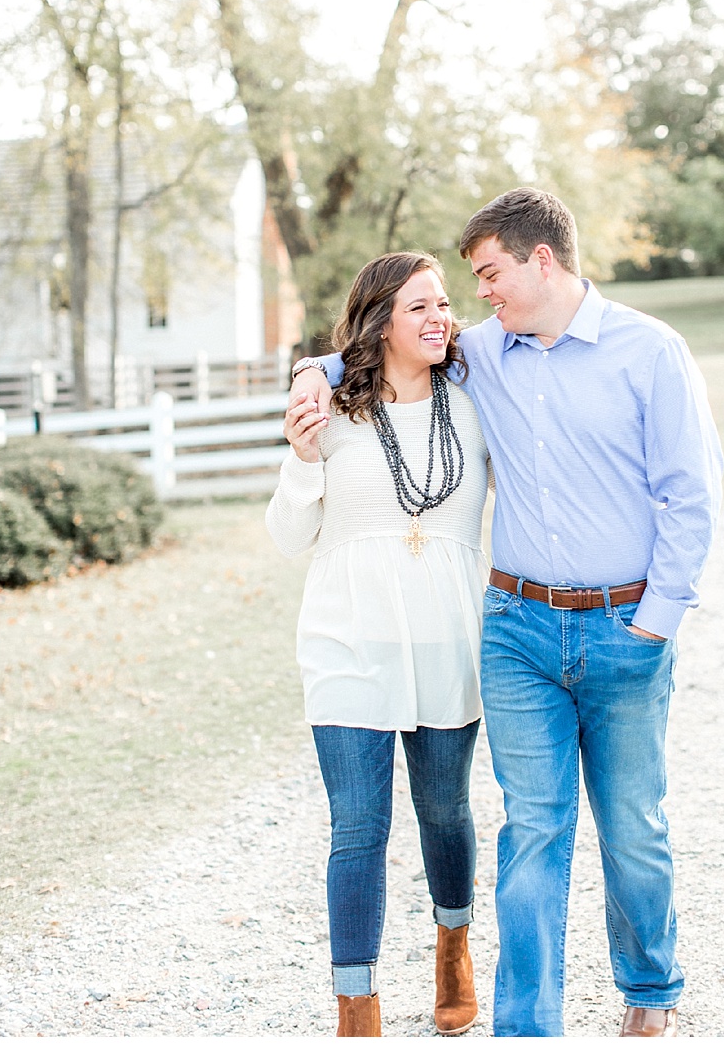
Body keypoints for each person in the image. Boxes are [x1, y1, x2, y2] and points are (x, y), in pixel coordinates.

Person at [291, 188, 723, 1038]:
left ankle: (648, 988)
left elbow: (692, 495)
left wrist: (658, 621)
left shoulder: (650, 352)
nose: (477, 294)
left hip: (626, 627)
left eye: (489, 274)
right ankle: (527, 1026)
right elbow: (379, 348)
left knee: (632, 827)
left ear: (542, 261)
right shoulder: (483, 354)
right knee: (533, 828)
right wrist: (315, 370)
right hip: (518, 631)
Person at [267, 252, 490, 1038]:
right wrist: (302, 459)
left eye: (444, 303)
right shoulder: (330, 411)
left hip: (447, 641)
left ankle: (453, 949)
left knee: (444, 811)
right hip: (347, 641)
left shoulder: (476, 400)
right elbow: (288, 537)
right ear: (381, 321)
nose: (440, 318)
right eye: (419, 306)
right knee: (358, 826)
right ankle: (355, 1007)